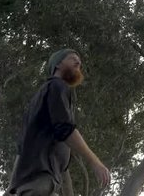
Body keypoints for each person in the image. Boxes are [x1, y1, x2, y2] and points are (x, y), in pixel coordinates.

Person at [7, 49, 111, 195]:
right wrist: (96, 163)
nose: (78, 62)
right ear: (57, 64)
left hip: (27, 186)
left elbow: (21, 148)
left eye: (79, 62)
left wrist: (11, 187)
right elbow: (65, 129)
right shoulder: (57, 86)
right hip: (41, 180)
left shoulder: (36, 101)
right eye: (73, 58)